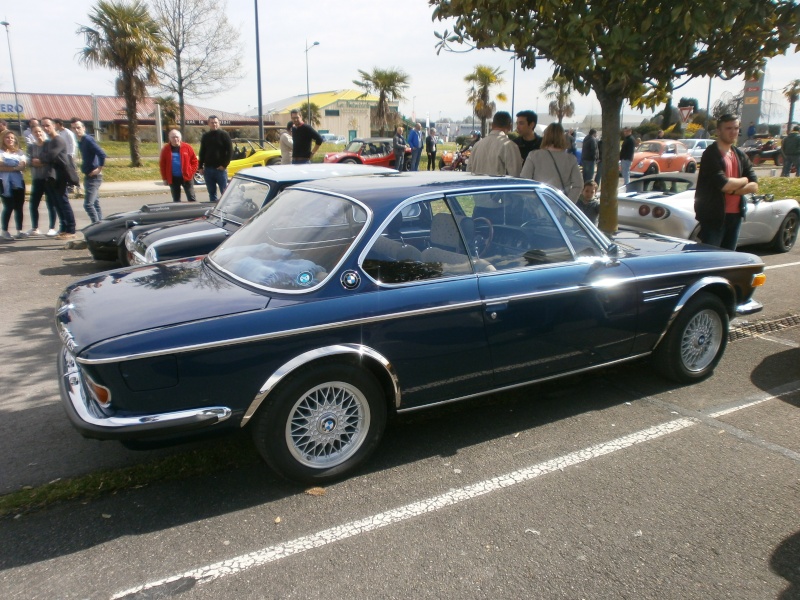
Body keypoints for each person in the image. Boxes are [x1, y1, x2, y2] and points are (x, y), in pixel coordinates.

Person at [694, 114, 758, 250]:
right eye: (728, 128)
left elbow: (754, 185)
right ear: (718, 131)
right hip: (714, 218)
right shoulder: (711, 154)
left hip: (735, 216)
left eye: (736, 128)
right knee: (711, 260)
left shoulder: (740, 155)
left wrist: (734, 190)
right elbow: (724, 185)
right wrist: (744, 180)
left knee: (729, 260)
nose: (733, 132)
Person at [519, 122, 582, 201]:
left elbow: (524, 181)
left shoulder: (534, 156)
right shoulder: (571, 159)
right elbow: (578, 185)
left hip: (538, 203)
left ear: (545, 136)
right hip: (560, 204)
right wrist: (568, 203)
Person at [37, 117, 76, 240]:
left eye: (48, 125)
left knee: (63, 202)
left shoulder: (58, 140)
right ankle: (63, 228)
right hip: (51, 176)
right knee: (56, 203)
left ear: (54, 125)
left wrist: (42, 159)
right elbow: (42, 155)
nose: (45, 128)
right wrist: (43, 158)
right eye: (43, 126)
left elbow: (48, 156)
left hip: (60, 175)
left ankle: (71, 229)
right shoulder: (48, 142)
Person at [71, 119, 107, 223]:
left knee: (88, 204)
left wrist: (99, 169)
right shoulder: (81, 141)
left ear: (84, 128)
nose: (76, 130)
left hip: (94, 177)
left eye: (78, 127)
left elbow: (102, 154)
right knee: (95, 203)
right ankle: (101, 225)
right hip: (88, 176)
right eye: (74, 128)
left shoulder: (88, 139)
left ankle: (96, 226)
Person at [468, 111, 523, 177]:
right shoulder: (509, 146)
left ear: (492, 125)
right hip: (499, 186)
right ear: (510, 126)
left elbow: (469, 170)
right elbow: (516, 175)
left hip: (478, 186)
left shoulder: (477, 145)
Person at [26, 124, 57, 236]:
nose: (38, 134)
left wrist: (40, 162)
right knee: (33, 204)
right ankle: (35, 227)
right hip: (37, 178)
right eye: (35, 132)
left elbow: (51, 159)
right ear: (32, 134)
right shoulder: (31, 146)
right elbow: (28, 160)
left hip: (48, 178)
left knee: (51, 203)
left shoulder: (49, 144)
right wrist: (36, 162)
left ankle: (52, 227)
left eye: (40, 131)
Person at [0, 130, 27, 241]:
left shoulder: (20, 152)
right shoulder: (0, 152)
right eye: (7, 138)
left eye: (12, 138)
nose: (10, 140)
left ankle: (19, 231)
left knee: (19, 207)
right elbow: (0, 166)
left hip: (18, 183)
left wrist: (8, 166)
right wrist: (15, 167)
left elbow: (23, 166)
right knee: (8, 206)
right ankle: (5, 231)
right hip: (4, 183)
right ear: (3, 139)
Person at [198, 115, 232, 201]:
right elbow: (202, 152)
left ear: (219, 123)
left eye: (216, 122)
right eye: (212, 123)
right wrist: (200, 167)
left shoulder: (224, 135)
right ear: (208, 123)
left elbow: (230, 152)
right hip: (208, 169)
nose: (214, 124)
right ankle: (213, 211)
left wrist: (224, 165)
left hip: (220, 170)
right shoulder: (205, 136)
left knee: (224, 193)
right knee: (212, 193)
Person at [159, 129, 199, 202]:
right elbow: (162, 165)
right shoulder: (165, 149)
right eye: (173, 137)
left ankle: (192, 212)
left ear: (180, 138)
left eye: (177, 137)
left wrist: (191, 172)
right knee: (176, 199)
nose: (175, 139)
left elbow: (195, 161)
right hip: (173, 178)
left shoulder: (187, 147)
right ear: (169, 138)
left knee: (191, 198)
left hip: (187, 177)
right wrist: (164, 178)